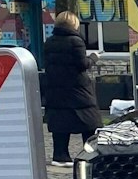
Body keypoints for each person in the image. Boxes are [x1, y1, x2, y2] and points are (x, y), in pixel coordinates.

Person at [40, 11, 99, 166]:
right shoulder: (76, 41)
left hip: (55, 88)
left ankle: (60, 156)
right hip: (77, 89)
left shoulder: (49, 42)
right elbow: (82, 64)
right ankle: (89, 154)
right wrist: (94, 58)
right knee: (90, 122)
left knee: (60, 123)